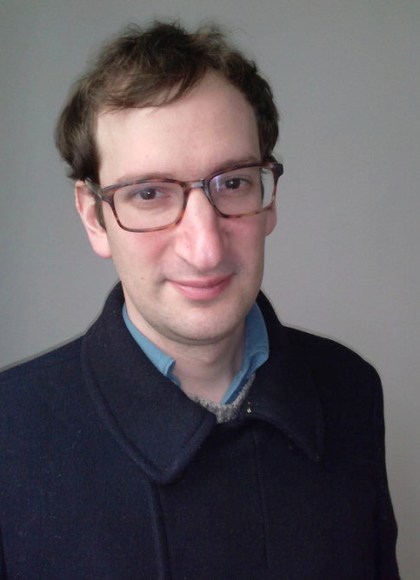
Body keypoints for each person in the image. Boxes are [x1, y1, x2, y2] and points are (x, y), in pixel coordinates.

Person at [0, 21, 399, 579]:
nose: (205, 249)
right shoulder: (11, 433)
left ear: (268, 199)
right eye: (148, 193)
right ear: (93, 217)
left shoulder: (351, 391)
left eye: (233, 183)